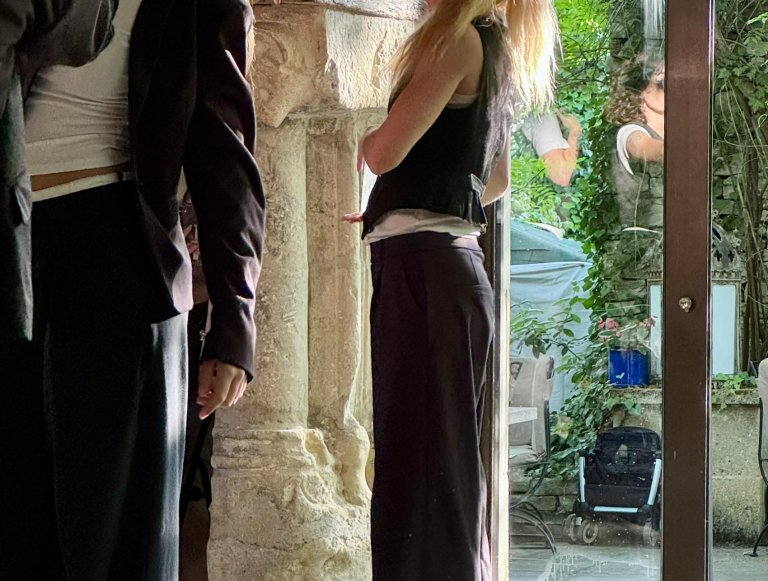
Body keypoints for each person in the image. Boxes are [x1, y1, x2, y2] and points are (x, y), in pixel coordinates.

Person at [0, 0, 266, 579]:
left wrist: (234, 321)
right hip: (12, 245)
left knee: (118, 547)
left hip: (117, 252)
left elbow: (225, 155)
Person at [344, 0, 558, 578]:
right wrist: (410, 203)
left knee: (416, 470)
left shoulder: (455, 41)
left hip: (423, 273)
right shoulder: (496, 49)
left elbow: (383, 152)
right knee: (445, 468)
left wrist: (371, 148)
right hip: (454, 270)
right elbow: (496, 180)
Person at [606, 54, 665, 228]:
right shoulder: (630, 132)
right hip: (647, 238)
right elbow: (642, 147)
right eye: (662, 83)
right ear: (642, 90)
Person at [521, 109, 582, 187]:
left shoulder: (567, 169)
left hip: (545, 126)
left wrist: (560, 112)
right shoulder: (556, 177)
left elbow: (575, 130)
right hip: (533, 134)